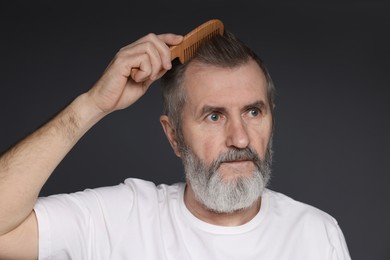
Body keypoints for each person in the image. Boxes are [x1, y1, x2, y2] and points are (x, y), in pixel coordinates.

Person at [0, 24, 351, 260]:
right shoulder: (120, 220)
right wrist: (91, 106)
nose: (240, 137)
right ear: (174, 136)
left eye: (253, 112)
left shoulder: (316, 235)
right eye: (214, 116)